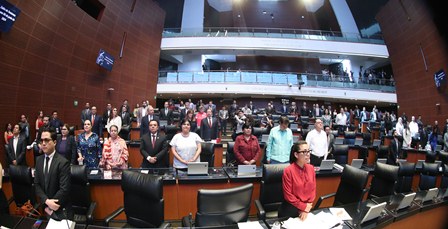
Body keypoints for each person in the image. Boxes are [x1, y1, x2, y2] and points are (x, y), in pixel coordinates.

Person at [34, 128, 73, 220]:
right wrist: (47, 201)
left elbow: (64, 189)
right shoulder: (38, 160)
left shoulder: (63, 162)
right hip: (45, 208)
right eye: (42, 140)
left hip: (60, 210)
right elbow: (36, 184)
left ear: (55, 142)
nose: (43, 143)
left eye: (47, 140)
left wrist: (51, 205)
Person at [279, 141, 316, 220]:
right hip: (291, 209)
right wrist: (303, 207)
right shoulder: (288, 171)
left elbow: (313, 190)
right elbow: (288, 195)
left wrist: (307, 208)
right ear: (296, 155)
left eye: (309, 151)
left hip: (306, 209)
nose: (308, 154)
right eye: (304, 152)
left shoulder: (311, 168)